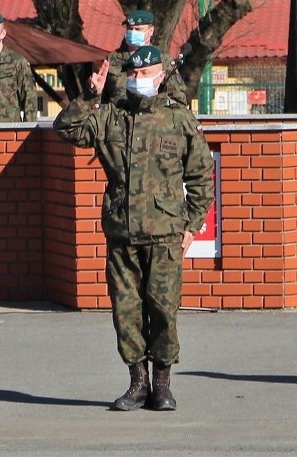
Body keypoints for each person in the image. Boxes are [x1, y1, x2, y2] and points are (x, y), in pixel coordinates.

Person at [53, 45, 215, 412]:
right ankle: (137, 384)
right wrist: (89, 95)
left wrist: (190, 227)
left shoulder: (179, 120)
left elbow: (202, 177)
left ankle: (162, 386)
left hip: (165, 235)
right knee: (126, 311)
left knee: (162, 311)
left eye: (145, 74)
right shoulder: (111, 116)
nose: (138, 80)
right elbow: (67, 129)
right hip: (122, 233)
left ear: (160, 77)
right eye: (133, 74)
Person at [98, 9, 187, 107]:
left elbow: (179, 100)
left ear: (151, 31)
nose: (132, 32)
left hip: (152, 118)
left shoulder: (162, 60)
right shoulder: (112, 59)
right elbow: (101, 94)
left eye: (138, 29)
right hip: (117, 118)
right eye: (129, 28)